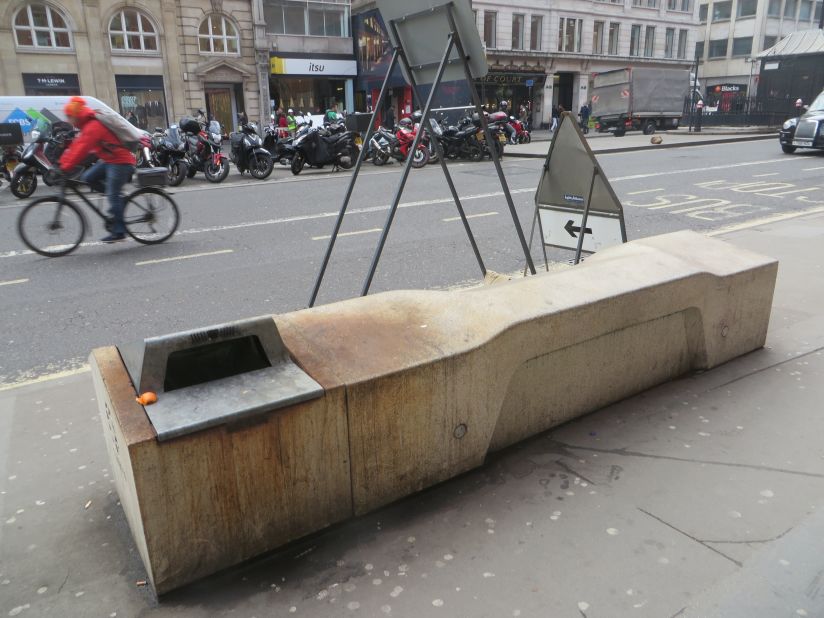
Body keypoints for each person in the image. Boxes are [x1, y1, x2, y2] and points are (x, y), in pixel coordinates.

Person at [59, 96, 136, 243]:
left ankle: (119, 231)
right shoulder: (87, 125)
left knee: (112, 194)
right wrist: (62, 163)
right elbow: (77, 145)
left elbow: (82, 148)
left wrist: (65, 166)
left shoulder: (93, 126)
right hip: (110, 160)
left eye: (69, 117)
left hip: (121, 161)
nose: (68, 120)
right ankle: (117, 200)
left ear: (76, 115)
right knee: (88, 178)